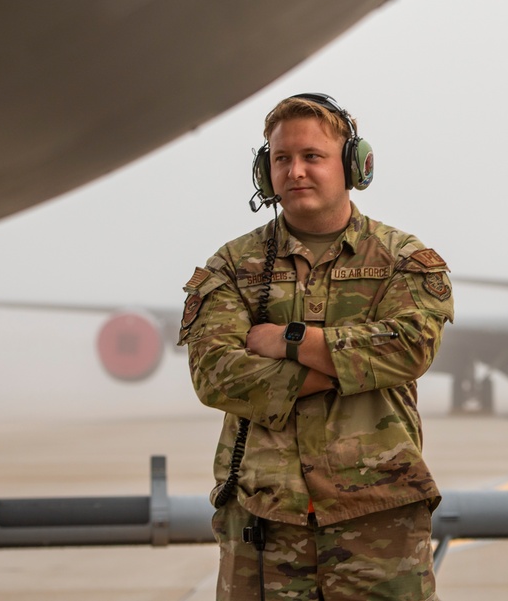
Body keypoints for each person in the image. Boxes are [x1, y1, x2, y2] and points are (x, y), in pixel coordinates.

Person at [178, 92, 454, 600]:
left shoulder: (404, 260)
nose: (296, 171)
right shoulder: (233, 266)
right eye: (282, 158)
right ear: (266, 171)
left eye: (313, 156)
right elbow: (214, 371)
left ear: (352, 165)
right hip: (264, 519)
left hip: (377, 516)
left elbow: (410, 347)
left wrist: (290, 339)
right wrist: (336, 369)